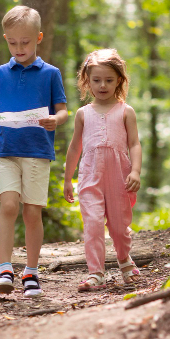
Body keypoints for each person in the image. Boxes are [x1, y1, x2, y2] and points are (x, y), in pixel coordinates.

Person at [0, 6, 68, 298]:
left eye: (25, 42)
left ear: (38, 38)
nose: (19, 48)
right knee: (9, 205)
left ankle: (31, 271)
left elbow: (63, 110)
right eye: (12, 43)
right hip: (6, 148)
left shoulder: (51, 74)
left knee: (31, 211)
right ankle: (4, 267)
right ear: (6, 39)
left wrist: (56, 120)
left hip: (38, 150)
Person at [63, 49, 143, 291]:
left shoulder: (125, 111)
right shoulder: (82, 114)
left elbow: (134, 144)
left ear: (119, 80)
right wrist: (68, 179)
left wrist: (136, 171)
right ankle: (95, 272)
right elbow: (75, 147)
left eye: (109, 80)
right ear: (87, 81)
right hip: (90, 176)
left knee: (119, 227)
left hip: (120, 177)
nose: (102, 85)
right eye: (96, 80)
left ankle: (124, 259)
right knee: (93, 224)